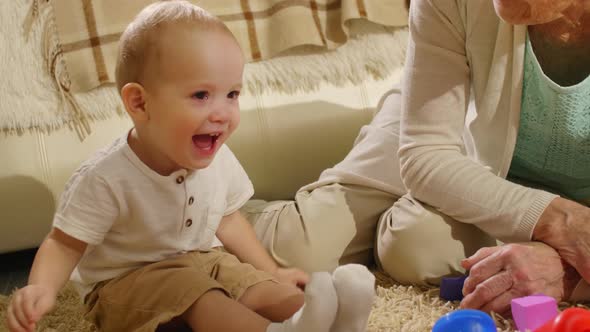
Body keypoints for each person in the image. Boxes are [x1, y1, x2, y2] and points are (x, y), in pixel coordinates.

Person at [4, 2, 376, 332]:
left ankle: (325, 319)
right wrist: (42, 288)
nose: (222, 113)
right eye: (201, 95)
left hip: (202, 260)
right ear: (139, 103)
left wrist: (272, 272)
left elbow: (229, 219)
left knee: (245, 280)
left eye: (232, 94)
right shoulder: (105, 178)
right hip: (125, 285)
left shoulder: (218, 158)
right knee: (200, 294)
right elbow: (64, 244)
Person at [243, 0, 590, 315]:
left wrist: (564, 267)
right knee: (305, 248)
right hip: (437, 121)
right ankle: (213, 201)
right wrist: (563, 224)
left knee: (415, 244)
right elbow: (427, 154)